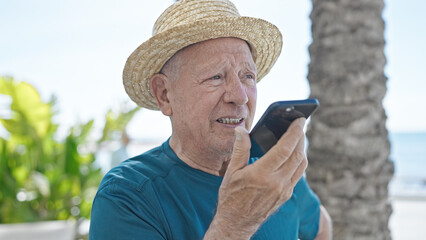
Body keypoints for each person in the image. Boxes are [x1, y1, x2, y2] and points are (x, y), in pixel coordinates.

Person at [89, 0, 332, 239]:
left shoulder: (273, 171)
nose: (239, 97)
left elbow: (322, 226)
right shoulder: (128, 196)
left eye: (247, 76)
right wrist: (234, 224)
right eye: (216, 76)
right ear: (164, 95)